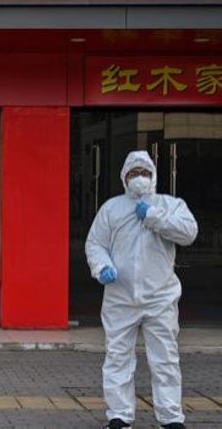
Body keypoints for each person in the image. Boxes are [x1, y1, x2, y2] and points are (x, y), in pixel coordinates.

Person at [85, 151, 198, 429]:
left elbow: (189, 232)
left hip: (160, 297)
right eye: (133, 173)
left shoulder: (170, 205)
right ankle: (119, 415)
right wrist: (102, 267)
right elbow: (95, 243)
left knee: (165, 359)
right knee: (117, 357)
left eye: (144, 173)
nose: (139, 178)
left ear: (154, 176)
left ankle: (171, 417)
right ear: (124, 178)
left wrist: (154, 217)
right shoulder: (111, 209)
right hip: (120, 296)